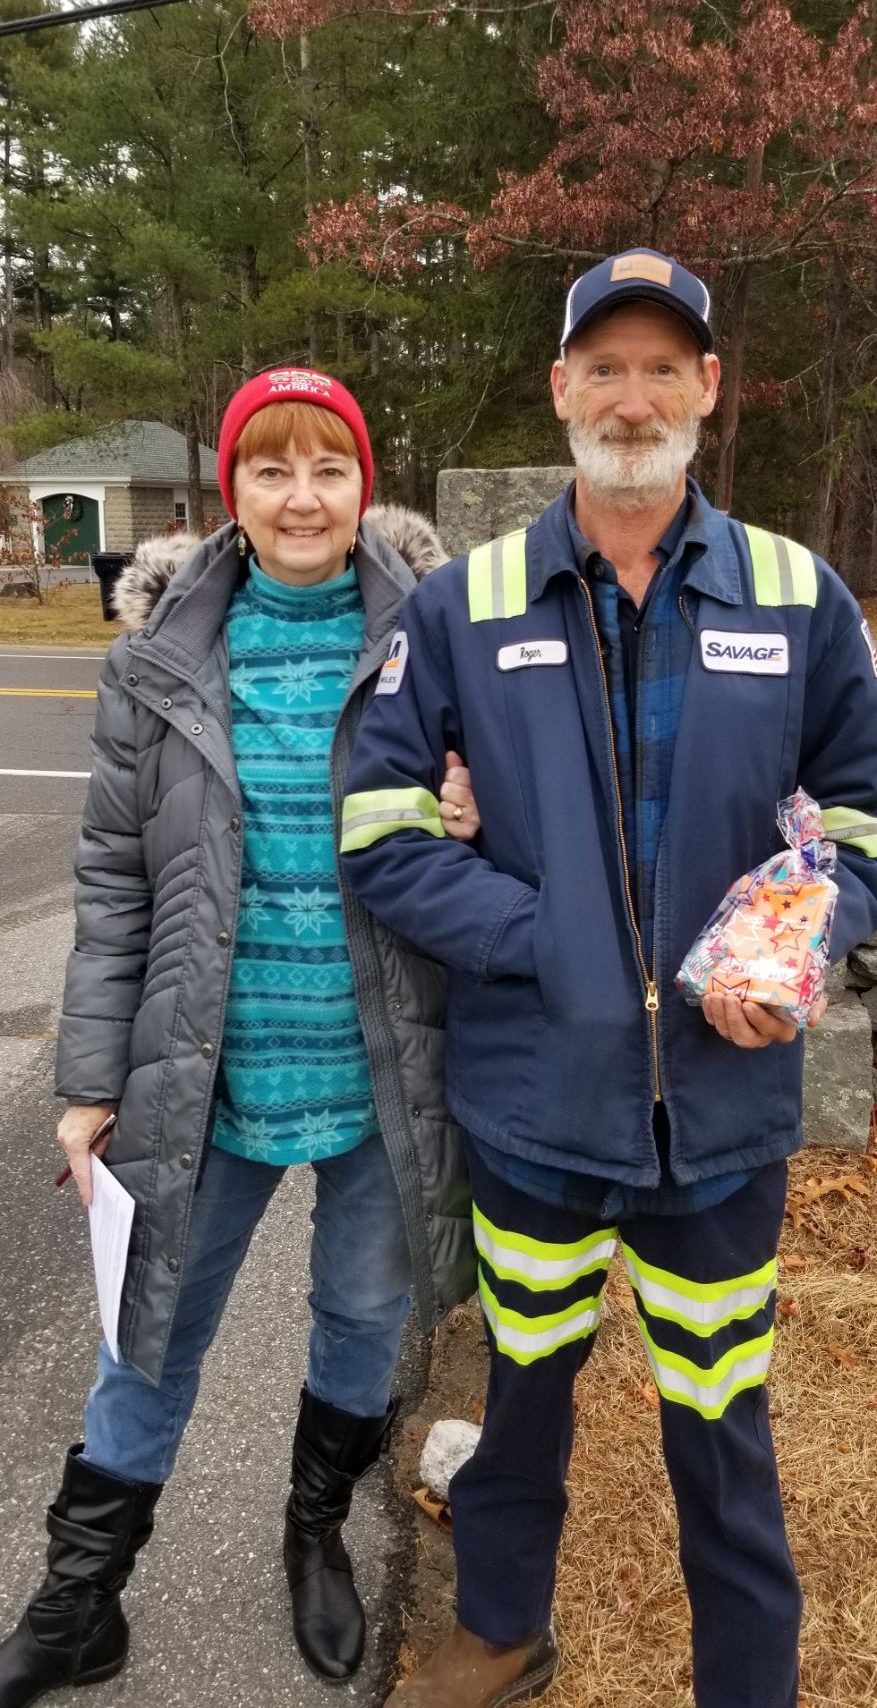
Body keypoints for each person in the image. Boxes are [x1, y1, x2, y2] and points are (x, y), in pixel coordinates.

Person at [338, 251, 877, 1708]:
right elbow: (379, 828)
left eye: (661, 368)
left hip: (720, 1122)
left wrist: (805, 941)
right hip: (534, 1110)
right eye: (603, 367)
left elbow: (863, 803)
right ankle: (502, 1631)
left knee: (723, 1419)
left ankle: (743, 1680)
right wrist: (549, 944)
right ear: (560, 387)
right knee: (520, 1399)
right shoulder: (465, 605)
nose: (629, 398)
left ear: (708, 391)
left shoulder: (798, 594)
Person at [0, 366, 480, 1708]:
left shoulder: (436, 648)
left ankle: (315, 1533)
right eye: (269, 468)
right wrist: (89, 1077)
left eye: (327, 466)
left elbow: (508, 829)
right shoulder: (152, 663)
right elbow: (113, 882)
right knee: (146, 1335)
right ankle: (80, 1604)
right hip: (200, 1075)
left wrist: (477, 812)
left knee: (357, 1317)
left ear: (363, 484)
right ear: (230, 489)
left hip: (384, 1067)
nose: (301, 494)